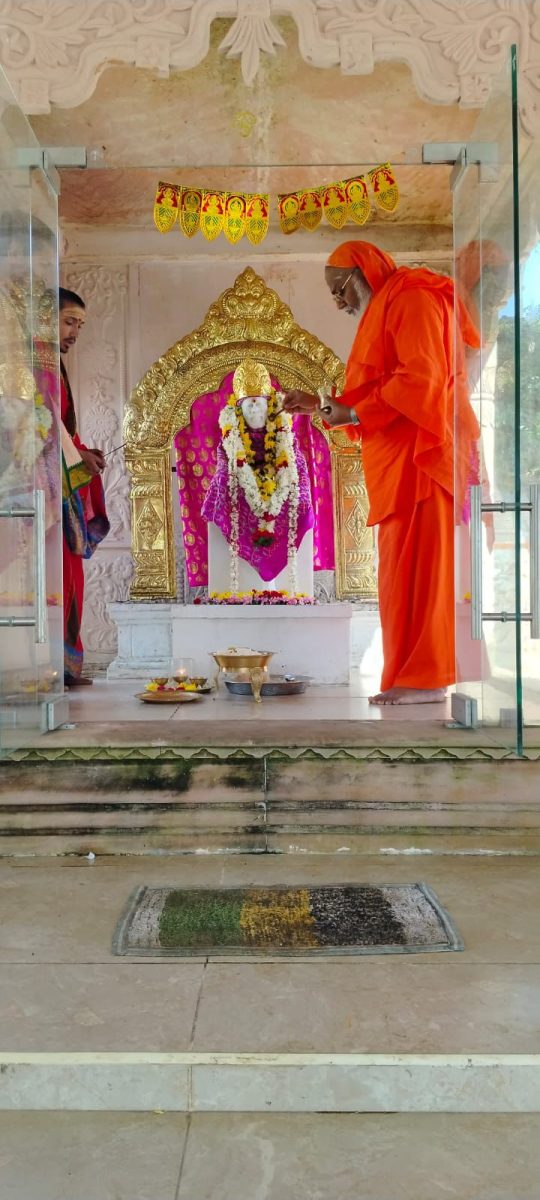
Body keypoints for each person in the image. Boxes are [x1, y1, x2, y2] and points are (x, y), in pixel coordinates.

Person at [282, 240, 480, 705]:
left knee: (424, 574)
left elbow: (420, 380)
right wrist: (324, 406)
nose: (338, 303)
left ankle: (427, 680)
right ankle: (413, 675)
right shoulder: (390, 305)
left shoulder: (411, 298)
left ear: (364, 273)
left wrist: (352, 413)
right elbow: (383, 389)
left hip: (426, 460)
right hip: (401, 464)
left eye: (340, 289)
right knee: (399, 575)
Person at [60, 287, 109, 687]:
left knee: (71, 574)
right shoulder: (30, 367)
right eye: (69, 321)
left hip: (62, 484)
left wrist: (82, 452)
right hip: (44, 491)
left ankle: (63, 666)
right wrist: (77, 456)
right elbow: (37, 427)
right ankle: (50, 666)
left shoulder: (52, 367)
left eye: (79, 325)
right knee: (60, 575)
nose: (75, 332)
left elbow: (61, 430)